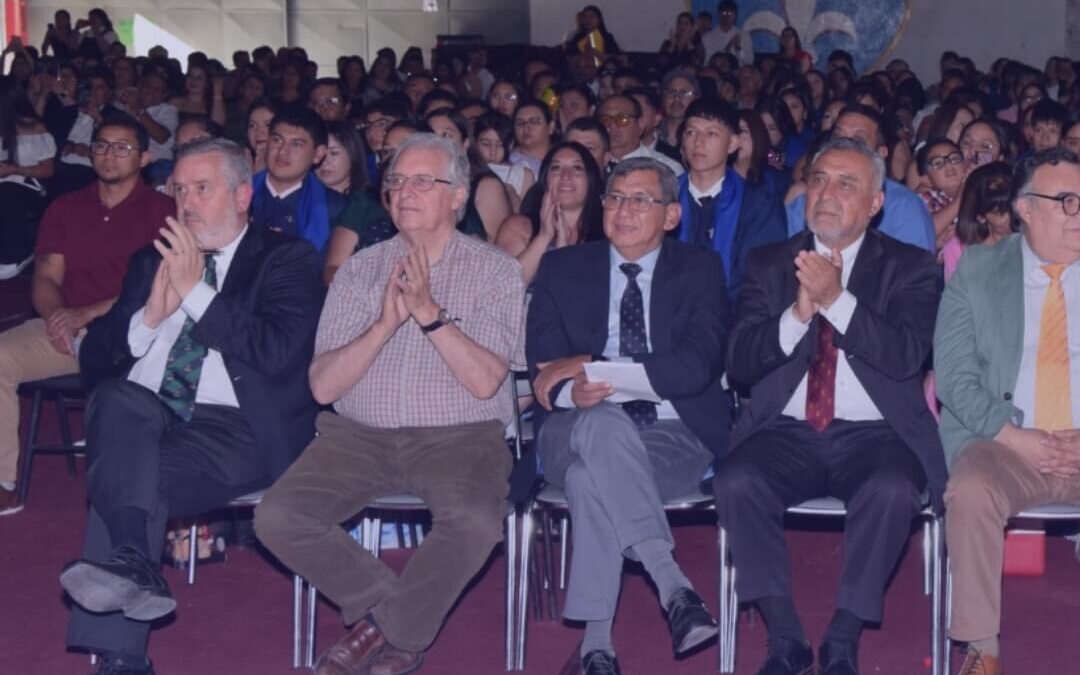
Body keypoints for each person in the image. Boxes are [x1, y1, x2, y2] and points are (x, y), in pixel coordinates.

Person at [253, 133, 525, 675]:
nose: (405, 191)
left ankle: (376, 632)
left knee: (473, 522)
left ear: (458, 197)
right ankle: (396, 613)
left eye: (424, 181)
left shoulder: (496, 271)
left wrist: (428, 314)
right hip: (358, 437)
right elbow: (323, 388)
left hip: (461, 436)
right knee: (278, 517)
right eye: (397, 181)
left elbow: (485, 381)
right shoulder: (358, 270)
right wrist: (383, 324)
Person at [58, 137, 322, 675]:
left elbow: (274, 351)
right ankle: (137, 565)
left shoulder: (285, 259)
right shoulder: (147, 263)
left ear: (243, 195)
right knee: (115, 402)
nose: (187, 203)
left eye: (202, 189)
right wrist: (150, 317)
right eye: (179, 189)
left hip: (233, 427)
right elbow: (94, 369)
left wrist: (195, 293)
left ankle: (118, 657)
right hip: (146, 413)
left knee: (129, 480)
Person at [714, 137, 946, 675]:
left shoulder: (910, 267)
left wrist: (837, 301)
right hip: (786, 431)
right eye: (819, 179)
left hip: (877, 433)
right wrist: (796, 316)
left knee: (891, 489)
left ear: (875, 203)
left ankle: (843, 635)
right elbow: (740, 365)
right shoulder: (771, 263)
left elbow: (906, 357)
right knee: (736, 479)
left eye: (847, 184)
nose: (828, 193)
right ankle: (786, 637)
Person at [525, 157, 725, 675]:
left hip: (673, 429)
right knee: (602, 423)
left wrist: (592, 368)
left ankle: (597, 647)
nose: (624, 210)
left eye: (641, 200)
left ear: (672, 215)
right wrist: (574, 388)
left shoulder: (701, 270)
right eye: (614, 198)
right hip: (572, 424)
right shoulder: (562, 268)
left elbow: (695, 367)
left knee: (593, 480)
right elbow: (545, 367)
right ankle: (672, 583)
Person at [934, 148, 1080, 675]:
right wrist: (1015, 436)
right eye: (1067, 202)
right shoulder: (978, 268)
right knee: (970, 490)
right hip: (1006, 443)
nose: (1079, 214)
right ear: (1024, 208)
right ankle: (982, 650)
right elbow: (954, 376)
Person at [0, 116, 172, 515]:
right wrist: (58, 315)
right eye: (101, 146)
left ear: (145, 157)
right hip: (66, 328)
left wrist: (85, 314)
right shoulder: (66, 207)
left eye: (122, 147)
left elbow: (157, 288)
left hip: (133, 332)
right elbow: (45, 274)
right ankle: (3, 481)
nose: (109, 155)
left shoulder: (163, 210)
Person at [676, 98, 787, 302]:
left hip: (733, 316)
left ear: (733, 144)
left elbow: (762, 274)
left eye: (712, 133)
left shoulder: (757, 203)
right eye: (691, 132)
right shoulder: (665, 197)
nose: (698, 142)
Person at [786, 105, 937, 252]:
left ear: (880, 153)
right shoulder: (808, 199)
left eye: (858, 140)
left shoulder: (904, 207)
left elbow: (915, 272)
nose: (844, 147)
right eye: (838, 138)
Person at [496, 141, 605, 283]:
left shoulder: (608, 232)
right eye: (556, 168)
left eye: (577, 168)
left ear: (590, 179)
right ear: (545, 179)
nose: (566, 175)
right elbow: (503, 289)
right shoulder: (518, 227)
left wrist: (562, 255)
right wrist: (544, 236)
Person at [248, 108, 346, 252]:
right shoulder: (238, 193)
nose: (282, 151)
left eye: (296, 144)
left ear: (318, 154)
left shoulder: (334, 207)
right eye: (277, 140)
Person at [0, 76, 57, 278]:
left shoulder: (34, 128)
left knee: (7, 193)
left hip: (27, 186)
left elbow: (48, 170)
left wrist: (14, 170)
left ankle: (17, 254)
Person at [598, 94, 684, 176]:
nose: (612, 126)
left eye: (622, 119)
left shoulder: (666, 168)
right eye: (605, 120)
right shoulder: (591, 163)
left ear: (640, 124)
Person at [474, 112, 535, 211]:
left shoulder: (522, 175)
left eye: (500, 145)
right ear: (475, 142)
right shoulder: (467, 169)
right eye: (486, 144)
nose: (492, 152)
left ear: (510, 145)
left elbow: (527, 217)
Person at [915, 139, 967, 249]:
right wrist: (961, 197)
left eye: (954, 159)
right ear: (926, 179)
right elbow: (925, 232)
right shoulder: (926, 198)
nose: (949, 166)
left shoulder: (978, 190)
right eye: (938, 163)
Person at [317, 120, 368, 196]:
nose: (324, 161)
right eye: (318, 153)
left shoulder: (368, 204)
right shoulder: (301, 201)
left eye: (333, 153)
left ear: (352, 153)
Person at [658, 71, 700, 160]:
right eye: (670, 92)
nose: (676, 98)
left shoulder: (701, 138)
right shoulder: (651, 135)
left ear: (696, 98)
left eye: (683, 93)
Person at [169, 62, 226, 127]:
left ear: (207, 83)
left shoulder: (213, 104)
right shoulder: (174, 102)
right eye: (190, 76)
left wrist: (217, 93)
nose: (193, 80)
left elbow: (218, 125)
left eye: (199, 78)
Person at [510, 98, 555, 179]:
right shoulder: (507, 163)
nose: (526, 127)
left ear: (551, 127)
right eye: (520, 123)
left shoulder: (562, 158)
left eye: (534, 121)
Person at [702, 1, 754, 67]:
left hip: (738, 73)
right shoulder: (708, 37)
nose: (726, 15)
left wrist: (738, 49)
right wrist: (727, 48)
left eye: (730, 12)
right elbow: (706, 62)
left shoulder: (744, 35)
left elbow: (749, 61)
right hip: (716, 73)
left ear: (735, 15)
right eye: (723, 12)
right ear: (718, 14)